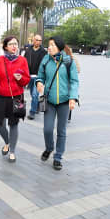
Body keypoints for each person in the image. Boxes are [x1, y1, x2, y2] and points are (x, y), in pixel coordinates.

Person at [36, 36, 79, 170]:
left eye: (52, 45)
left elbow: (74, 81)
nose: (49, 47)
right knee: (47, 129)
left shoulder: (68, 62)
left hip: (65, 101)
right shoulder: (46, 60)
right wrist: (39, 82)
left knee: (61, 131)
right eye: (48, 45)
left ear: (59, 47)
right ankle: (49, 148)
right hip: (49, 100)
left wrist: (72, 98)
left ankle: (58, 157)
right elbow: (40, 75)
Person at [0, 36, 30, 163]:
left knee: (13, 124)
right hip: (1, 96)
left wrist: (20, 79)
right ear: (6, 46)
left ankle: (12, 151)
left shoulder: (22, 60)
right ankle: (7, 142)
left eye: (16, 44)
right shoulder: (0, 60)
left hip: (17, 97)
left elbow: (26, 80)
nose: (14, 46)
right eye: (11, 44)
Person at [24, 34, 47, 119]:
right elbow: (24, 61)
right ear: (33, 40)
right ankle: (37, 106)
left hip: (39, 77)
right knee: (32, 94)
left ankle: (32, 112)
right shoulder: (28, 50)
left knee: (34, 94)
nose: (38, 42)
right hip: (29, 76)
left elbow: (46, 64)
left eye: (40, 41)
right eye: (37, 40)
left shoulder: (44, 52)